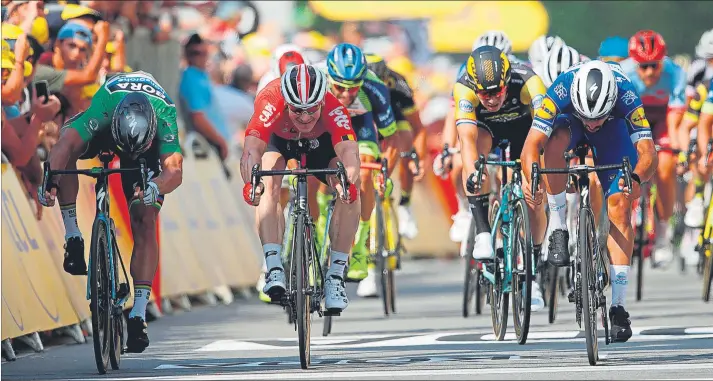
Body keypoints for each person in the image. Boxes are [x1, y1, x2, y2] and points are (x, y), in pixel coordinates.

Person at [38, 71, 184, 354]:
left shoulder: (165, 115)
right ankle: (73, 235)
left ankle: (139, 313)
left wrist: (155, 187)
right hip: (107, 131)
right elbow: (64, 145)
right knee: (66, 150)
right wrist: (51, 181)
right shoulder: (106, 103)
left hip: (146, 154)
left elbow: (174, 170)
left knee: (145, 219)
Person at [520, 60, 658, 342]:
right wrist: (532, 179)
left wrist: (635, 178)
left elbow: (648, 154)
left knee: (620, 206)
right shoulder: (560, 89)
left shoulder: (626, 93)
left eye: (598, 116)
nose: (592, 123)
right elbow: (531, 146)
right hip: (570, 123)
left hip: (614, 130)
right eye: (589, 116)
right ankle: (558, 227)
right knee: (554, 143)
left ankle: (618, 306)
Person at [241, 63, 361, 313]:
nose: (305, 117)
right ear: (286, 102)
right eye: (297, 110)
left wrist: (347, 182)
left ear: (321, 102)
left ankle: (335, 276)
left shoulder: (333, 107)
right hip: (279, 142)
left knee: (349, 190)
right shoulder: (270, 99)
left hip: (322, 144)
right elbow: (252, 150)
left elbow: (349, 153)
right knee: (268, 177)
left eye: (311, 110)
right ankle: (274, 266)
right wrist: (251, 182)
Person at [452, 45, 548, 311]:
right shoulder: (462, 88)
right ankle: (483, 231)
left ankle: (533, 267)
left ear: (507, 82)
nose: (491, 99)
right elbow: (467, 140)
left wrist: (536, 169)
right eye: (484, 93)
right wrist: (473, 173)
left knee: (533, 195)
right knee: (472, 162)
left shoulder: (528, 80)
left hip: (524, 131)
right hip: (486, 131)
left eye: (497, 91)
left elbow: (543, 130)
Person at [315, 43, 398, 283]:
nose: (346, 95)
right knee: (317, 176)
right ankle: (319, 232)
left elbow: (391, 138)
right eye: (340, 87)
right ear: (329, 76)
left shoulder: (374, 87)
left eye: (354, 89)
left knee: (365, 174)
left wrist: (384, 173)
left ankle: (360, 246)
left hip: (359, 130)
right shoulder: (316, 82)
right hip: (323, 128)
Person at [620, 30, 686, 265]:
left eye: (654, 65)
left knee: (666, 167)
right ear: (634, 63)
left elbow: (675, 120)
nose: (649, 72)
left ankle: (662, 235)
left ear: (663, 62)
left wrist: (679, 151)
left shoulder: (676, 73)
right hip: (632, 119)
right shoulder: (624, 74)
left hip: (662, 120)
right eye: (643, 66)